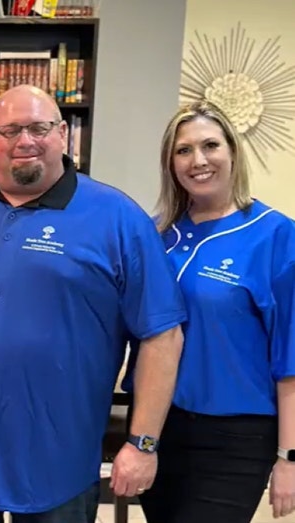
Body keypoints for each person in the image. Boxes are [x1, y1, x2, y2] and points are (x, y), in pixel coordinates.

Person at [0, 84, 188, 523]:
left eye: (39, 128)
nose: (24, 141)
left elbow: (163, 334)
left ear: (63, 133)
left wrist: (142, 443)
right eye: (8, 130)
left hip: (59, 463)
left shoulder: (118, 219)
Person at [121, 100, 295, 522]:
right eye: (183, 150)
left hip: (236, 435)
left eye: (210, 145)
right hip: (160, 428)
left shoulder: (275, 235)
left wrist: (289, 457)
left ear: (233, 151)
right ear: (170, 163)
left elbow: (290, 356)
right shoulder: (157, 233)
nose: (197, 160)